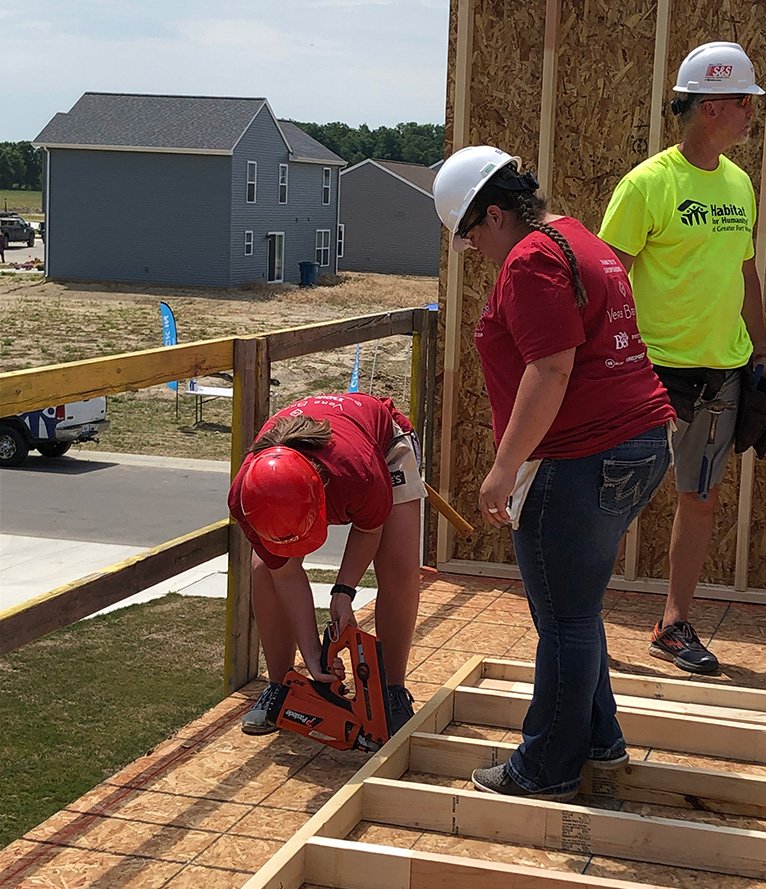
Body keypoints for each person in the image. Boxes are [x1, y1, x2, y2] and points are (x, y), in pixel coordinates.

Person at [432, 146, 675, 800]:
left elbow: (551, 368)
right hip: (640, 444)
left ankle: (546, 768)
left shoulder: (531, 259)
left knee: (564, 617)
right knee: (578, 605)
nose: (475, 249)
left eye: (471, 235)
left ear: (492, 214)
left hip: (583, 457)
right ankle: (599, 737)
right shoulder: (577, 238)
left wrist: (503, 467)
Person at [599, 42, 766, 675]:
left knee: (698, 497)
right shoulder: (647, 185)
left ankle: (674, 623)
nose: (751, 113)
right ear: (710, 106)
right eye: (743, 102)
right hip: (652, 375)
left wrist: (760, 351)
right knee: (615, 497)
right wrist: (604, 366)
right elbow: (608, 282)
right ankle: (579, 620)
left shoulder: (737, 184)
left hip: (721, 374)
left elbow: (745, 271)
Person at [228, 393, 426, 736]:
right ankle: (282, 685)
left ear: (321, 496)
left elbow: (369, 530)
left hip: (383, 444)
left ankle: (393, 692)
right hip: (324, 449)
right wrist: (313, 656)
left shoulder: (358, 474)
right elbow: (284, 572)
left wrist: (343, 592)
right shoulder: (245, 497)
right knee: (263, 569)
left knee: (400, 569)